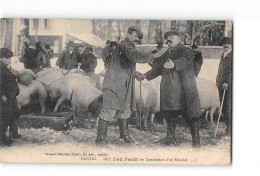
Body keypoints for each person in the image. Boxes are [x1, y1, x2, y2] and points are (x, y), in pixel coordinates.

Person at [95, 26, 166, 145]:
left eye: (138, 38)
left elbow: (123, 66)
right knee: (109, 110)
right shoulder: (124, 46)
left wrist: (134, 73)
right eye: (134, 36)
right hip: (114, 84)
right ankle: (100, 139)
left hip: (125, 84)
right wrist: (155, 55)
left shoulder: (128, 47)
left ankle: (124, 136)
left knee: (125, 110)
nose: (136, 39)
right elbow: (135, 56)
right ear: (127, 34)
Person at [137, 30, 202, 147]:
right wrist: (145, 75)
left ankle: (196, 142)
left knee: (191, 116)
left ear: (179, 38)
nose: (168, 39)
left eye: (171, 37)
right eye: (167, 37)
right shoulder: (167, 53)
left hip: (184, 90)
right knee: (170, 115)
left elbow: (185, 60)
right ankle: (170, 138)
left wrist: (174, 64)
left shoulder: (185, 50)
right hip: (171, 91)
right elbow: (158, 68)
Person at [0, 48, 21, 146]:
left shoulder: (6, 66)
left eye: (10, 58)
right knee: (5, 117)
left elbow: (11, 76)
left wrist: (17, 74)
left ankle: (13, 133)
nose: (9, 60)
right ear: (1, 58)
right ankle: (3, 138)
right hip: (6, 97)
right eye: (7, 58)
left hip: (12, 96)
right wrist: (2, 95)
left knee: (15, 114)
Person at [216, 37, 232, 136]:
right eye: (223, 44)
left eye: (227, 44)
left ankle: (229, 129)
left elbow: (232, 72)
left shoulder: (233, 55)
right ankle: (228, 126)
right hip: (221, 85)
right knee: (224, 107)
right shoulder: (223, 55)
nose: (225, 46)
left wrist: (228, 82)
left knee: (228, 107)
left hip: (229, 86)